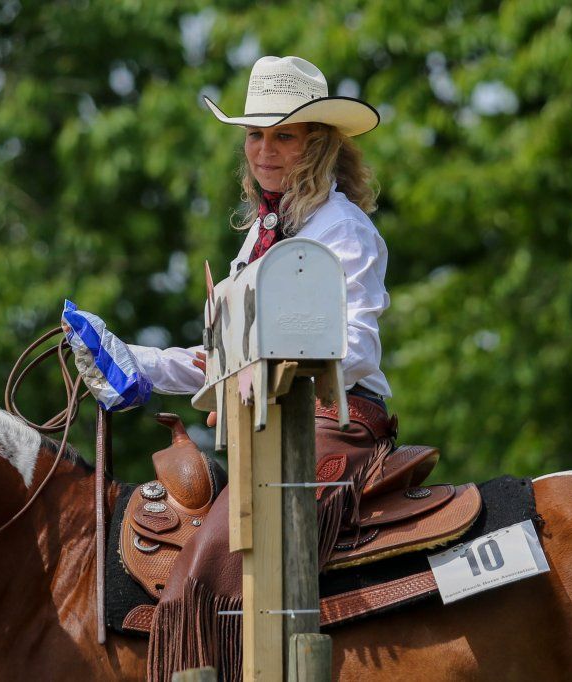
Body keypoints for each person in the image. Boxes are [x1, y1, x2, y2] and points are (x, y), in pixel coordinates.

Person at [127, 55, 397, 567]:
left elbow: (357, 347)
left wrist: (268, 367)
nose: (263, 150)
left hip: (333, 423)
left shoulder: (343, 227)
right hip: (270, 431)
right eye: (254, 135)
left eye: (284, 137)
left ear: (318, 145)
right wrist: (134, 363)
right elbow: (224, 361)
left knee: (213, 563)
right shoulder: (261, 233)